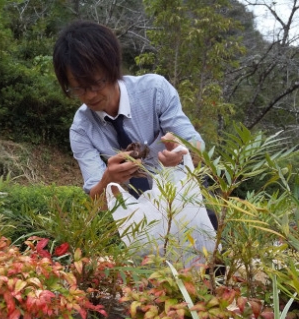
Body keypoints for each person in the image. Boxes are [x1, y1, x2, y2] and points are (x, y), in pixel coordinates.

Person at [52, 20, 208, 205]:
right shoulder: (81, 130)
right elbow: (98, 203)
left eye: (96, 83)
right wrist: (108, 180)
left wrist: (182, 153)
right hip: (143, 207)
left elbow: (198, 148)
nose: (90, 95)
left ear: (113, 68)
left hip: (189, 190)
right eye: (79, 89)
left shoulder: (154, 91)